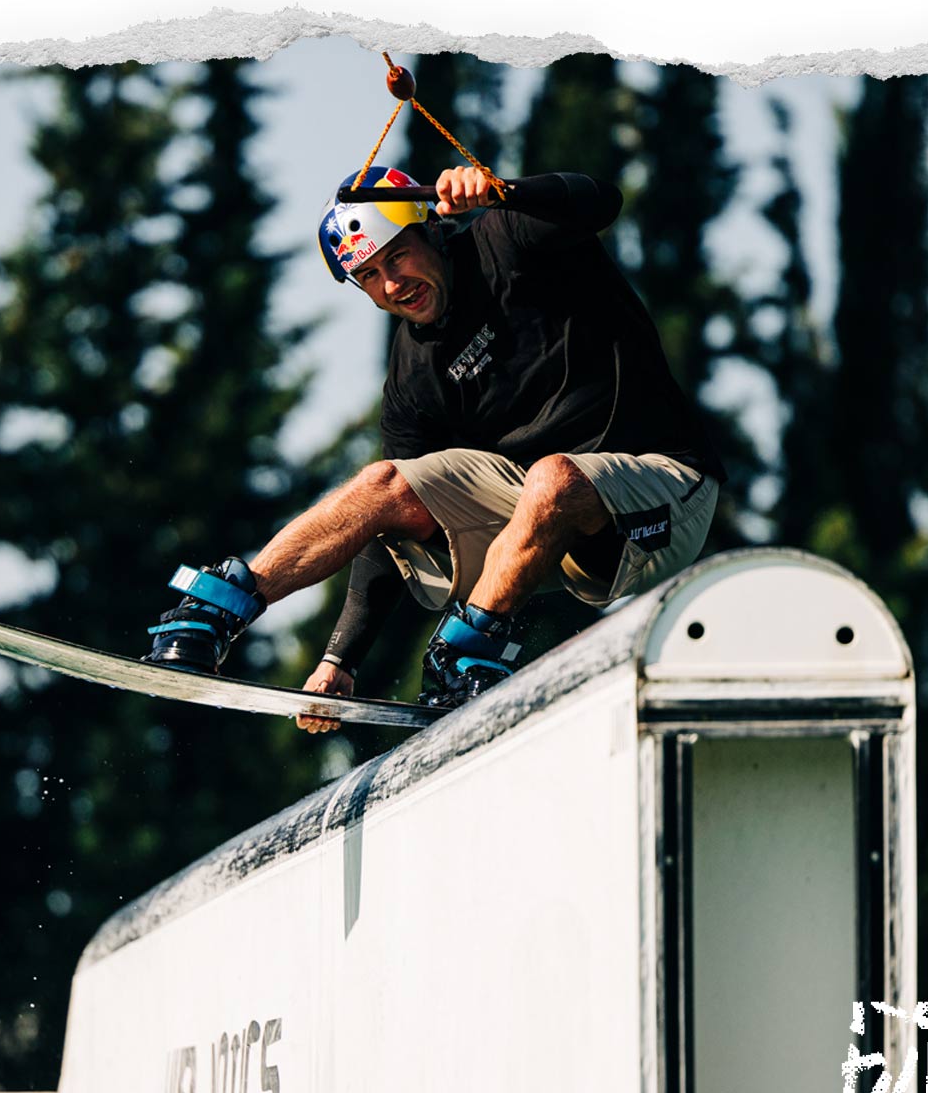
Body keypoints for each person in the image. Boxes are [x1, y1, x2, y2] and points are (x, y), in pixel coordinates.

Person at [144, 165, 725, 727]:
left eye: (397, 256)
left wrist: (505, 191)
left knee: (554, 477)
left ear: (432, 231)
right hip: (542, 524)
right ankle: (219, 609)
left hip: (665, 493)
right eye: (370, 276)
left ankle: (469, 651)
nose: (392, 284)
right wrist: (340, 658)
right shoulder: (411, 375)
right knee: (383, 483)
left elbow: (602, 200)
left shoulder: (508, 236)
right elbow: (385, 527)